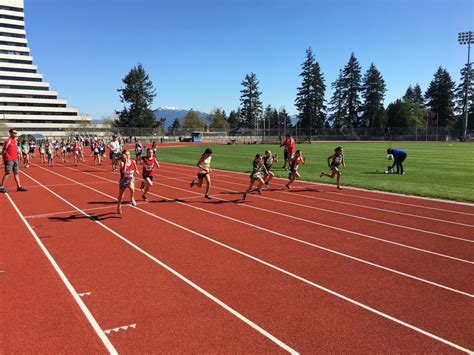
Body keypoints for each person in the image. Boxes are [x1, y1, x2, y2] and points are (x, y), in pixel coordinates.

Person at [117, 150, 139, 214]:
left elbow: (135, 165)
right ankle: (119, 206)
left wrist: (137, 170)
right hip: (123, 180)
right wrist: (126, 161)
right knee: (121, 196)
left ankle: (132, 198)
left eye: (129, 154)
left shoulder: (133, 161)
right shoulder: (122, 163)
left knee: (132, 189)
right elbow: (124, 171)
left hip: (131, 179)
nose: (128, 156)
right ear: (123, 156)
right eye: (126, 155)